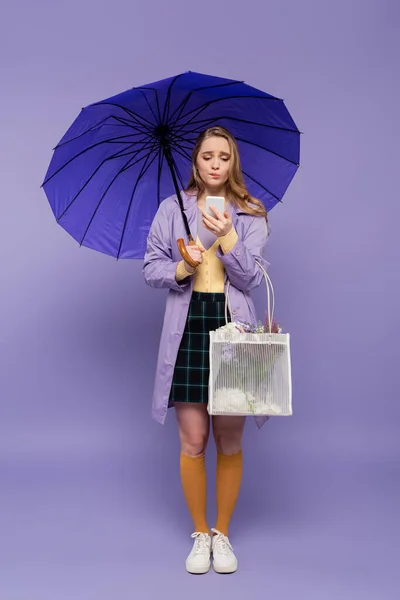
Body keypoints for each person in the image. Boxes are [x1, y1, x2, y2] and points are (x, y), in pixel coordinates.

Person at [142, 126, 270, 574]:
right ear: (195, 161)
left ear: (233, 162)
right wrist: (184, 264)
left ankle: (223, 534)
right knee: (193, 440)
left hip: (232, 326)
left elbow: (251, 278)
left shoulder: (251, 214)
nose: (215, 164)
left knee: (229, 438)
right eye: (207, 156)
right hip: (190, 326)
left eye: (224, 157)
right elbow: (151, 268)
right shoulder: (169, 210)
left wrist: (229, 237)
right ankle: (200, 535)